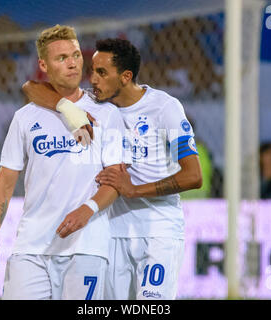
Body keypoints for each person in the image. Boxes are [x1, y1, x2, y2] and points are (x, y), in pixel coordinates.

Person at [22, 38, 203, 300]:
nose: (93, 79)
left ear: (126, 76)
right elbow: (31, 87)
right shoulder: (95, 105)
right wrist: (65, 108)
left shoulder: (164, 108)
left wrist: (133, 190)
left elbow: (193, 175)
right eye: (92, 71)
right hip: (111, 231)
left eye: (102, 73)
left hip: (158, 232)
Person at [0, 25, 129, 300]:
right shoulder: (25, 117)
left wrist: (87, 209)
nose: (72, 63)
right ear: (43, 65)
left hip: (86, 246)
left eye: (75, 55)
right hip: (31, 247)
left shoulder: (106, 114)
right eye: (62, 58)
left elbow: (117, 179)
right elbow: (5, 181)